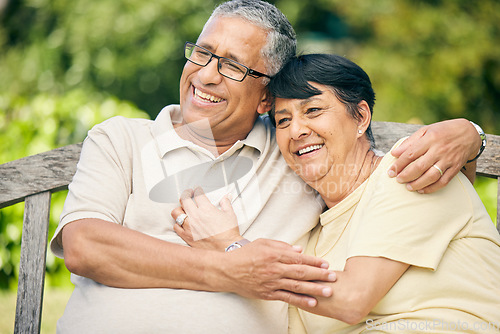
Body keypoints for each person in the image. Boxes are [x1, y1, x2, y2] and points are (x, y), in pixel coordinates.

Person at [50, 0, 485, 333]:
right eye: (201, 53)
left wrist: (469, 135)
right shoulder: (121, 139)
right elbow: (85, 246)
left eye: (233, 66)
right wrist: (232, 268)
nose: (205, 75)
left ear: (263, 97)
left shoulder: (296, 159)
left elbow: (407, 183)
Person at [174, 53, 500, 333]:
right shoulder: (313, 237)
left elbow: (352, 300)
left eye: (313, 110)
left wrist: (230, 247)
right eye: (283, 120)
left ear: (361, 117)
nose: (297, 130)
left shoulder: (407, 169)